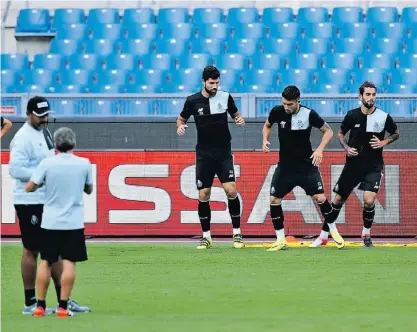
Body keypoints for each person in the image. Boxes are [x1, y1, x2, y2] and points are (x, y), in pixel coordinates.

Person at [9, 96, 90, 314]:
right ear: (29, 114)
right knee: (31, 249)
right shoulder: (22, 138)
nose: (45, 119)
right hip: (29, 201)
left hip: (43, 199)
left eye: (47, 114)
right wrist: (44, 176)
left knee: (53, 251)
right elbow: (15, 170)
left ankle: (63, 299)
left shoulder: (43, 131)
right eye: (40, 115)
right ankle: (30, 302)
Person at [310, 81, 400, 248]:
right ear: (360, 96)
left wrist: (384, 142)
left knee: (369, 200)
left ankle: (366, 234)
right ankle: (323, 236)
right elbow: (340, 134)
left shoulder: (383, 116)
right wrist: (346, 147)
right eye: (368, 94)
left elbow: (395, 133)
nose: (371, 97)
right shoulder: (352, 115)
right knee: (337, 201)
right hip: (352, 166)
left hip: (374, 165)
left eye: (373, 94)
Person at [262, 85, 345, 251]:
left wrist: (320, 149)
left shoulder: (309, 114)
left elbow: (328, 131)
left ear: (298, 101)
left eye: (290, 104)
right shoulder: (277, 111)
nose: (286, 107)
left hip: (307, 166)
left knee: (321, 198)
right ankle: (280, 240)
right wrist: (264, 140)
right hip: (285, 167)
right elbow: (267, 125)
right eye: (284, 103)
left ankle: (333, 232)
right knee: (273, 200)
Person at [26, 127, 93, 317]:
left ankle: (39, 306)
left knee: (46, 262)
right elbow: (89, 189)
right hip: (73, 222)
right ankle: (63, 307)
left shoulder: (47, 163)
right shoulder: (84, 163)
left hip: (50, 222)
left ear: (55, 144)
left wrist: (43, 182)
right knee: (69, 263)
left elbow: (30, 187)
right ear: (74, 143)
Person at [176, 65, 246, 250]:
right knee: (203, 194)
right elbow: (181, 118)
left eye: (217, 82)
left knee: (231, 190)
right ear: (204, 82)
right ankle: (206, 237)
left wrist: (239, 120)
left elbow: (236, 114)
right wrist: (180, 126)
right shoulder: (192, 101)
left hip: (223, 152)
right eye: (212, 83)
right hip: (204, 154)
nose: (215, 86)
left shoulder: (225, 96)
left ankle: (237, 234)